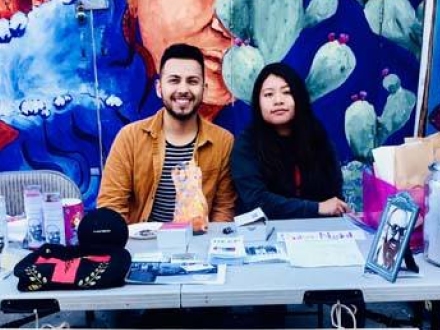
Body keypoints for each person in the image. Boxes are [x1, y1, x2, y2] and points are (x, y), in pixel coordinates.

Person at [97, 43, 236, 224]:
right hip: (143, 244)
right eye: (174, 80)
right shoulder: (129, 138)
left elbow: (224, 209)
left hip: (199, 244)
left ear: (205, 89)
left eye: (192, 81)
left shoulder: (223, 142)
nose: (183, 89)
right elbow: (111, 205)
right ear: (159, 88)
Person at [231, 62, 348, 219]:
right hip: (266, 232)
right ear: (257, 103)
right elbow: (257, 201)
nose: (278, 101)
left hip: (318, 232)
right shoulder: (247, 143)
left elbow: (335, 195)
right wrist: (316, 208)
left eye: (287, 92)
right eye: (268, 95)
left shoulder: (317, 137)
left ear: (298, 97)